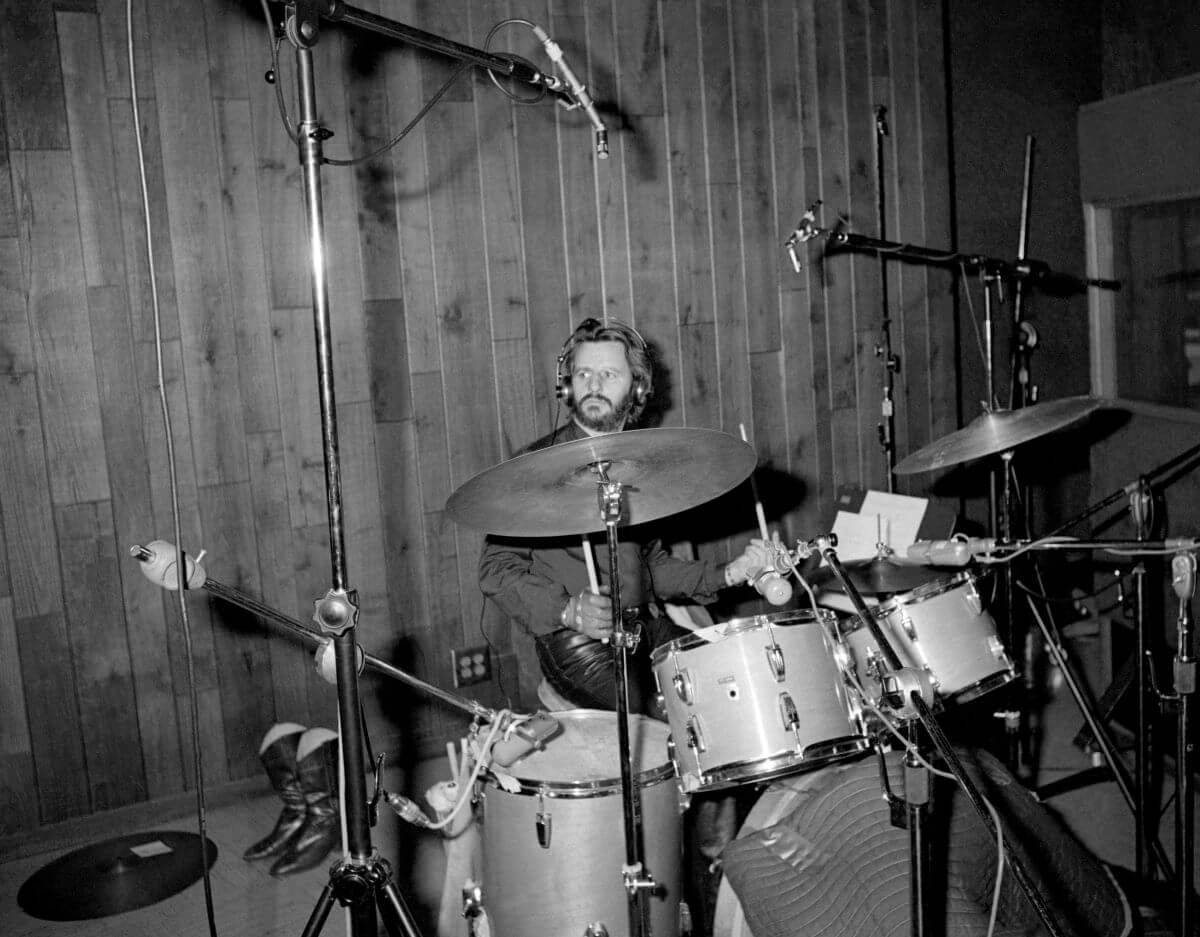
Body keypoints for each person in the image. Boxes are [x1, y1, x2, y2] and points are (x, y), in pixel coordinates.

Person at [478, 316, 776, 714]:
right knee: (669, 711)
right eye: (583, 373)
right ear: (566, 385)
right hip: (577, 639)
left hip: (644, 625)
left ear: (637, 387)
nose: (594, 385)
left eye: (608, 374)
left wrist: (729, 573)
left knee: (729, 681)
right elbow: (495, 568)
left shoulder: (637, 465)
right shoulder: (533, 470)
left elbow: (651, 567)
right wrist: (567, 609)